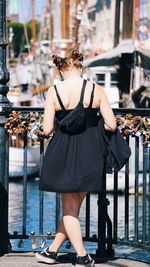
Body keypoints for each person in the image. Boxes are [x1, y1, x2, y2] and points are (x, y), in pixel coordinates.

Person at [35, 50, 116, 266]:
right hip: (91, 151)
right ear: (80, 68)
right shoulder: (95, 89)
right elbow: (111, 124)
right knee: (74, 209)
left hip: (64, 150)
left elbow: (47, 129)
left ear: (62, 70)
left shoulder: (54, 90)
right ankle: (51, 252)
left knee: (69, 209)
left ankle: (82, 256)